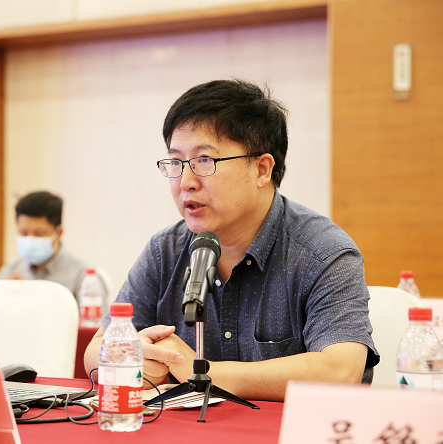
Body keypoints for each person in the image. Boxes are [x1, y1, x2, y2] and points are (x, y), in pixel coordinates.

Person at [84, 79, 379, 402]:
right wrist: (134, 356)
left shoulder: (323, 252)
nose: (186, 182)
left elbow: (340, 372)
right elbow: (95, 351)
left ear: (262, 169)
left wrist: (200, 371)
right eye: (176, 163)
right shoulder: (165, 250)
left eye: (204, 161)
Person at [0, 191, 107, 300]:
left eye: (39, 234)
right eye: (24, 233)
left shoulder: (84, 277)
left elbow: (95, 313)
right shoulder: (9, 271)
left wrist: (32, 297)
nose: (30, 240)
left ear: (59, 233)